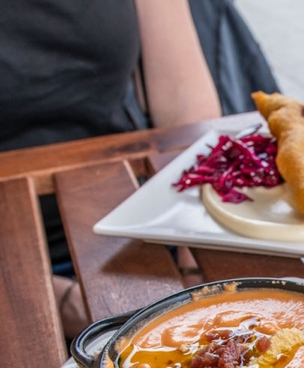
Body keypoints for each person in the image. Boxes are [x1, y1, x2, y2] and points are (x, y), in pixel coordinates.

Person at [0, 0, 276, 339]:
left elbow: (185, 113)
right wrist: (62, 301)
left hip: (144, 229)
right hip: (18, 266)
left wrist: (192, 257)